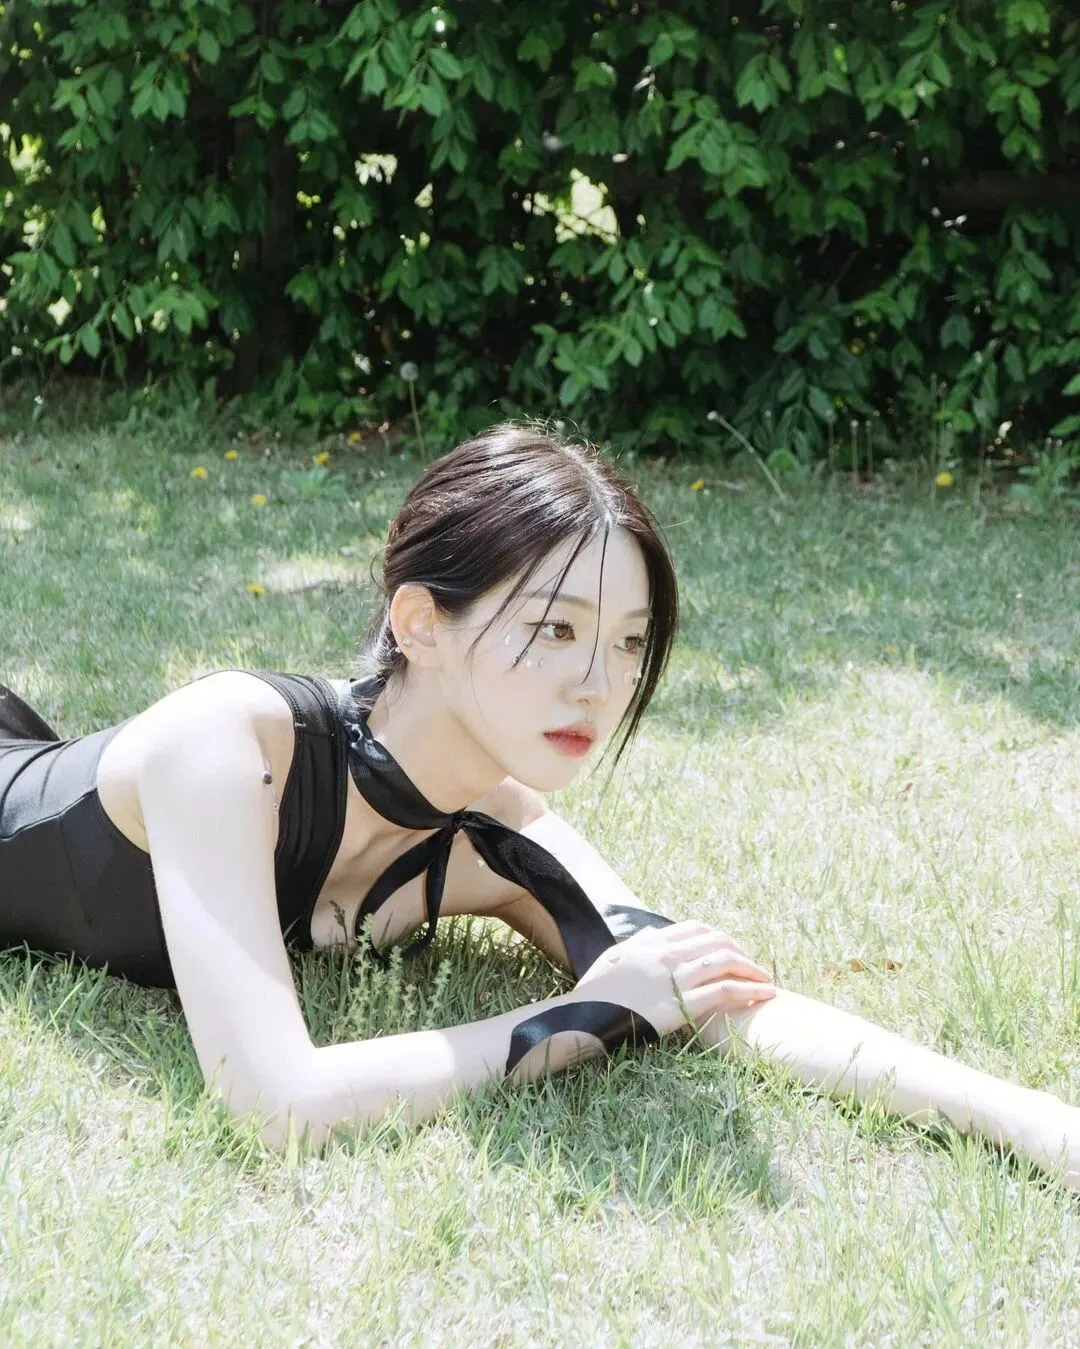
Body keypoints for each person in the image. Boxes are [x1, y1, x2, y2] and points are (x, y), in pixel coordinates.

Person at [1, 424, 1077, 1189]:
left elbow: (703, 990)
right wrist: (582, 1018)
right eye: (556, 629)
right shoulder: (227, 743)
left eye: (626, 642)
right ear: (418, 622)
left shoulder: (499, 832)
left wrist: (1037, 1124)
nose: (598, 686)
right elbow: (275, 1103)